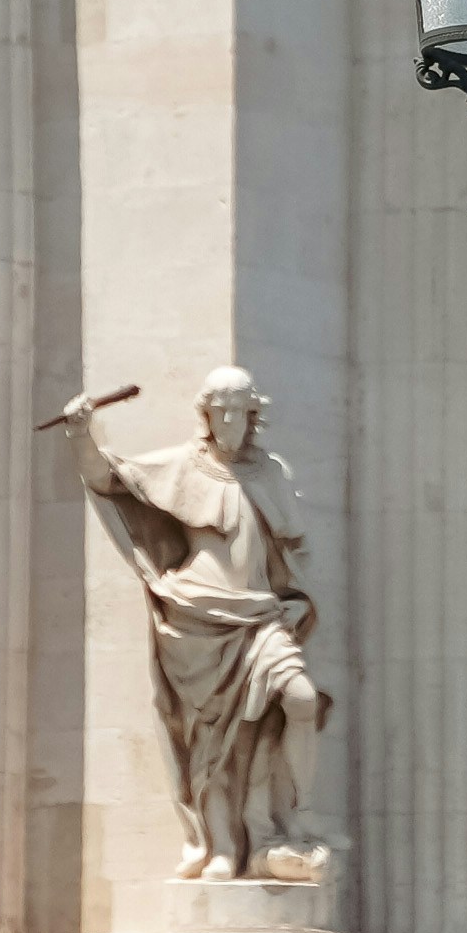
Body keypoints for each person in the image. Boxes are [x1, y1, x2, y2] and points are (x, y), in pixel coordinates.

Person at [46, 366, 327, 880]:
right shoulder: (185, 465)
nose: (230, 423)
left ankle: (297, 815)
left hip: (260, 614)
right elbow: (109, 478)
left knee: (300, 700)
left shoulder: (270, 473)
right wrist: (81, 432)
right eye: (220, 412)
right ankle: (221, 845)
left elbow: (294, 553)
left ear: (253, 415)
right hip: (195, 614)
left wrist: (301, 602)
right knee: (209, 737)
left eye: (240, 413)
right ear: (206, 414)